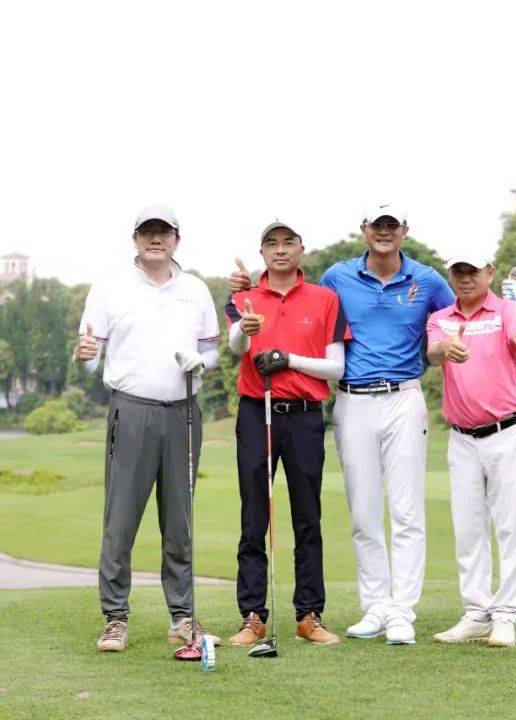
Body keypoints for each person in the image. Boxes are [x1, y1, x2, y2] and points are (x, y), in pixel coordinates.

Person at [231, 203, 453, 645]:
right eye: (378, 224)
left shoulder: (426, 279)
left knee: (404, 511)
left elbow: (459, 315)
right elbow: (272, 304)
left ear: (404, 230)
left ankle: (399, 612)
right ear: (364, 228)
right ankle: (375, 607)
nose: (385, 231)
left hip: (401, 396)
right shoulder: (337, 277)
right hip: (347, 402)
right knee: (363, 512)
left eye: (392, 225)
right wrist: (244, 287)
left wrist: (505, 309)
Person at [76, 205, 221, 653]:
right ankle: (115, 618)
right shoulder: (111, 287)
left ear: (177, 239)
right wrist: (85, 356)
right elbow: (92, 357)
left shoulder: (195, 289)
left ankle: (182, 617)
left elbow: (211, 350)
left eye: (163, 232)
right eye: (147, 233)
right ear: (135, 239)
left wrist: (203, 363)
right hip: (132, 411)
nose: (155, 239)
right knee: (120, 520)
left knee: (179, 521)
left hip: (184, 412)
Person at [223, 220, 349, 646]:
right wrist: (246, 329)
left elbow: (336, 368)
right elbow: (236, 348)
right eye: (271, 243)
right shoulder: (244, 296)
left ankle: (309, 615)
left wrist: (289, 359)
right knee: (254, 517)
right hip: (256, 412)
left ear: (300, 249)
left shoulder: (325, 298)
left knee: (307, 517)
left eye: (288, 242)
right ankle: (252, 615)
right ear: (261, 252)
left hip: (304, 415)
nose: (280, 249)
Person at [425, 255, 516, 648]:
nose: (465, 279)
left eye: (473, 272)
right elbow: (432, 352)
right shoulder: (441, 318)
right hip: (462, 439)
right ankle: (477, 613)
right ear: (450, 276)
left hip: (505, 434)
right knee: (468, 529)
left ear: (490, 273)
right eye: (458, 272)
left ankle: (506, 615)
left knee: (511, 527)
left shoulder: (506, 309)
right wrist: (447, 348)